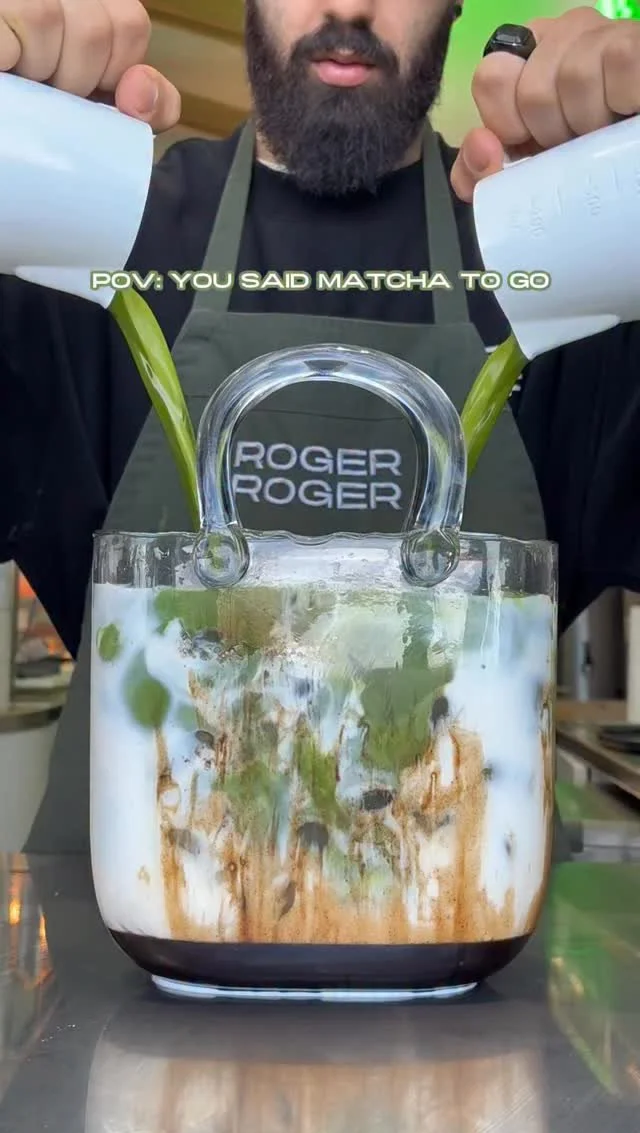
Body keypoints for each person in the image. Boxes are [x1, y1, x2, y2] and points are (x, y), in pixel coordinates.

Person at [1, 0, 639, 852]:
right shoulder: (93, 238)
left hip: (463, 922)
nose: (347, 5)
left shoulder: (554, 261)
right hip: (123, 928)